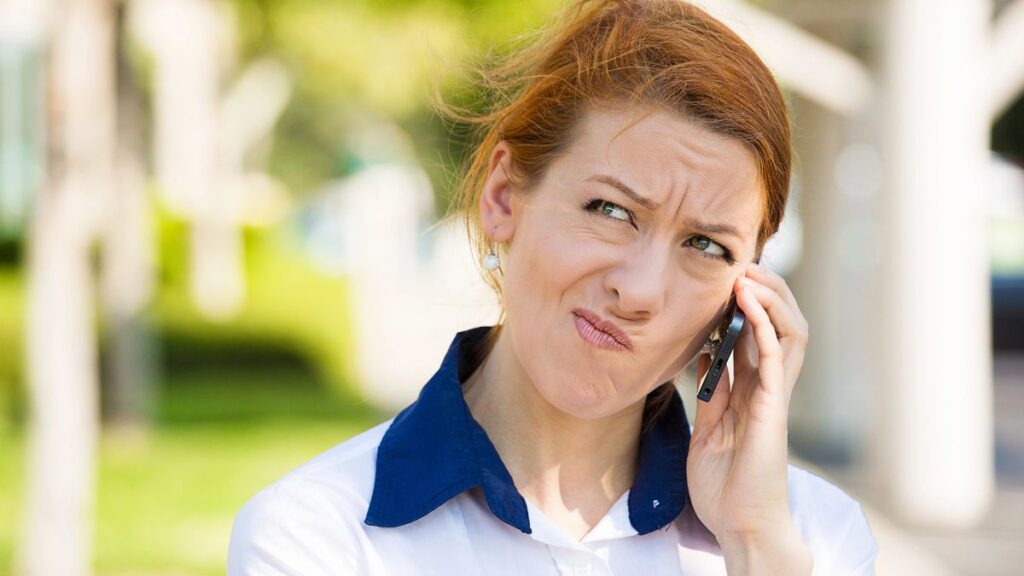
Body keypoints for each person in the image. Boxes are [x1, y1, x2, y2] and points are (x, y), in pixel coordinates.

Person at [227, 0, 880, 574]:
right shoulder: (319, 535)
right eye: (610, 210)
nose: (641, 291)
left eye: (706, 245)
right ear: (505, 196)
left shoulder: (811, 539)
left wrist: (755, 543)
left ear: (748, 297)